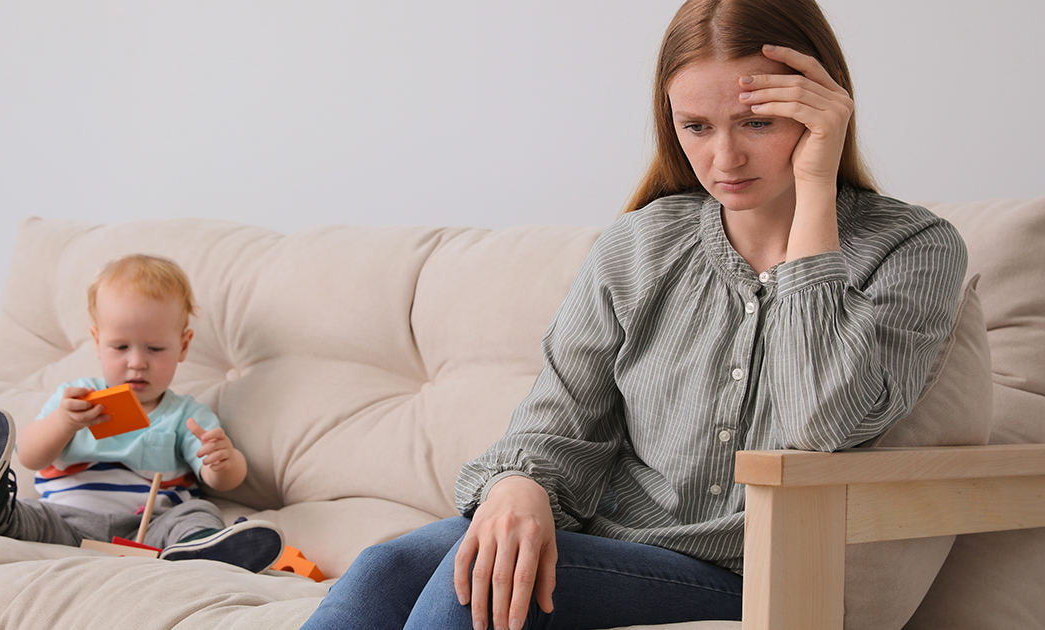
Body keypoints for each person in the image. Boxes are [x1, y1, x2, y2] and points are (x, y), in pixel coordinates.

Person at [301, 0, 967, 628]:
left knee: (474, 587)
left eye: (757, 122)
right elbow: (559, 413)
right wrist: (518, 485)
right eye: (696, 127)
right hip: (607, 538)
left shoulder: (912, 249)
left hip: (745, 570)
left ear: (821, 110)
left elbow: (821, 421)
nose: (724, 158)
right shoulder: (640, 244)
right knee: (387, 566)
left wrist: (816, 188)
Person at [0, 254, 285, 573]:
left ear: (182, 346)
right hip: (66, 521)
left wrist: (224, 462)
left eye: (155, 348)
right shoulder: (74, 399)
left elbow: (223, 481)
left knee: (197, 513)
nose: (137, 362)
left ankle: (200, 547)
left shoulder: (186, 415)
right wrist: (64, 422)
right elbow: (30, 455)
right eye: (120, 347)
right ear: (97, 341)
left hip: (148, 529)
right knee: (31, 514)